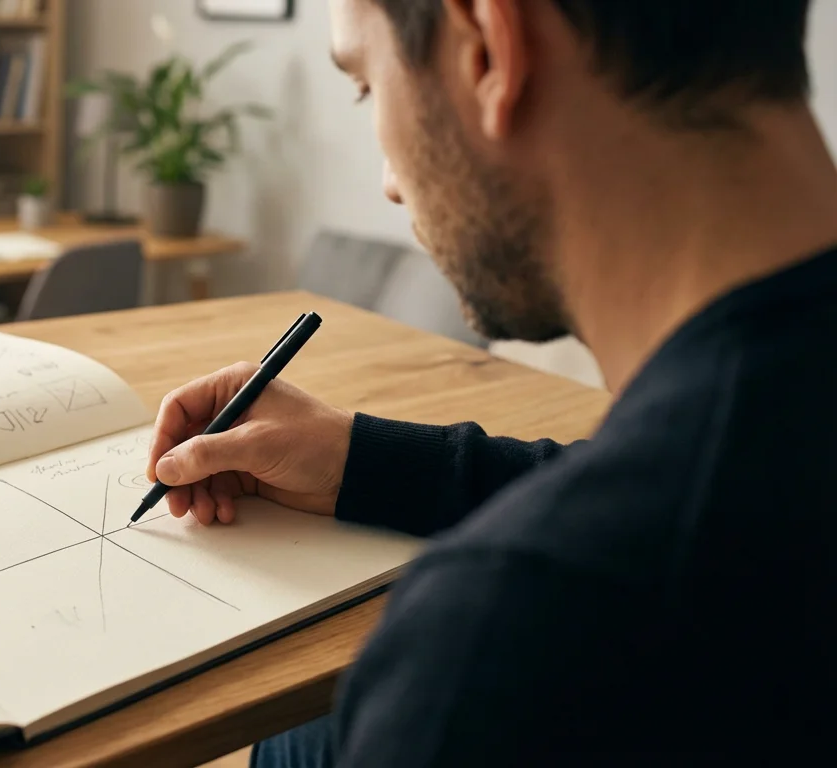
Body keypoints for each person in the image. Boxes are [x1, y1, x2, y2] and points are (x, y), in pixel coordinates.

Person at [145, 0, 837, 764]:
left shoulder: (503, 652)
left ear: (486, 48)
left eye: (367, 85)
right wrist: (360, 458)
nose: (389, 185)